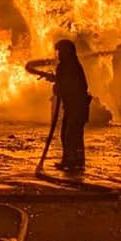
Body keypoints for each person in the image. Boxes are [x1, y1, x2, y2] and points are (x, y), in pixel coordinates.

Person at [36, 38, 91, 171]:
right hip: (72, 106)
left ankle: (74, 162)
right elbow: (65, 81)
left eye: (61, 51)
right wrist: (55, 81)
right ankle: (71, 161)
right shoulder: (68, 66)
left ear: (68, 51)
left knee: (71, 135)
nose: (59, 54)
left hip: (77, 106)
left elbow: (77, 85)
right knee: (68, 134)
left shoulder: (70, 66)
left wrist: (59, 86)